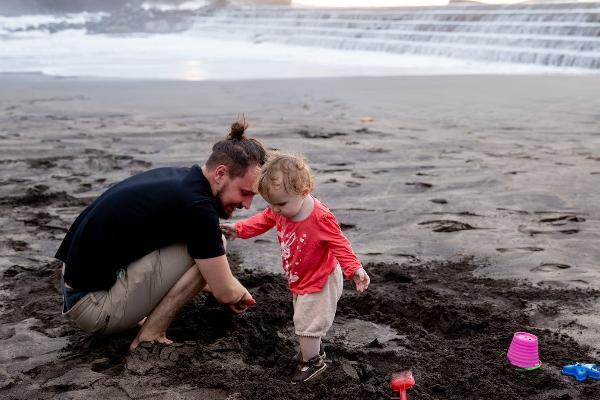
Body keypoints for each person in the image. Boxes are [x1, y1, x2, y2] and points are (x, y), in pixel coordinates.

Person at [55, 118, 267, 350]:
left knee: (203, 247)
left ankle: (139, 313)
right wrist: (236, 289)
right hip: (93, 308)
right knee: (216, 243)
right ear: (220, 173)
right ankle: (152, 333)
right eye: (245, 193)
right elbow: (225, 293)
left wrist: (212, 280)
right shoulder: (197, 207)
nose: (247, 205)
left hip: (75, 285)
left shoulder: (181, 181)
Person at [220, 152, 370, 384]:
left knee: (306, 323)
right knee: (304, 317)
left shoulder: (319, 217)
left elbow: (340, 244)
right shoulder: (281, 208)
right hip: (300, 276)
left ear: (303, 191)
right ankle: (312, 352)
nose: (276, 210)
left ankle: (312, 362)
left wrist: (355, 269)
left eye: (280, 204)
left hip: (321, 278)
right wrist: (238, 229)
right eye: (272, 204)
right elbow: (262, 220)